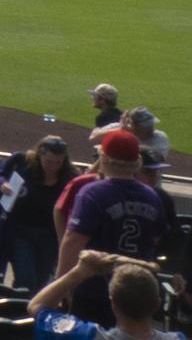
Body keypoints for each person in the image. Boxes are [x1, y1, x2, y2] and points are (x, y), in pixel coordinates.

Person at [57, 131, 167, 326]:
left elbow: (72, 241)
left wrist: (61, 284)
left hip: (94, 289)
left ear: (104, 158)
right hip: (137, 291)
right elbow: (156, 240)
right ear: (137, 162)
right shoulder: (152, 196)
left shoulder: (92, 192)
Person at [28, 250, 183, 340]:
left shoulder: (87, 335)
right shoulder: (177, 339)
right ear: (156, 304)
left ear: (113, 303)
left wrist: (79, 272)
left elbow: (36, 306)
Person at [0, 136, 75, 293]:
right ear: (39, 155)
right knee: (25, 278)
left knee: (41, 280)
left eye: (58, 163)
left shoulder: (69, 178)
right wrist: (2, 185)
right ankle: (18, 310)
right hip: (22, 232)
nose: (53, 167)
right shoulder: (25, 168)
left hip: (49, 236)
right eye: (48, 161)